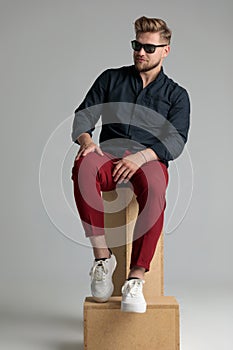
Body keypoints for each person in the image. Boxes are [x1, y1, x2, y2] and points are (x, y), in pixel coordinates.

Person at [71, 16, 190, 313]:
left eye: (149, 48)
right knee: (83, 166)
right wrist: (87, 142)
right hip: (108, 154)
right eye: (137, 45)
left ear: (166, 50)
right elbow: (83, 117)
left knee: (155, 186)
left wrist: (142, 156)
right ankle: (102, 258)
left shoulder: (177, 95)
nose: (141, 52)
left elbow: (176, 141)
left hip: (147, 157)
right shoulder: (111, 79)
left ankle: (135, 278)